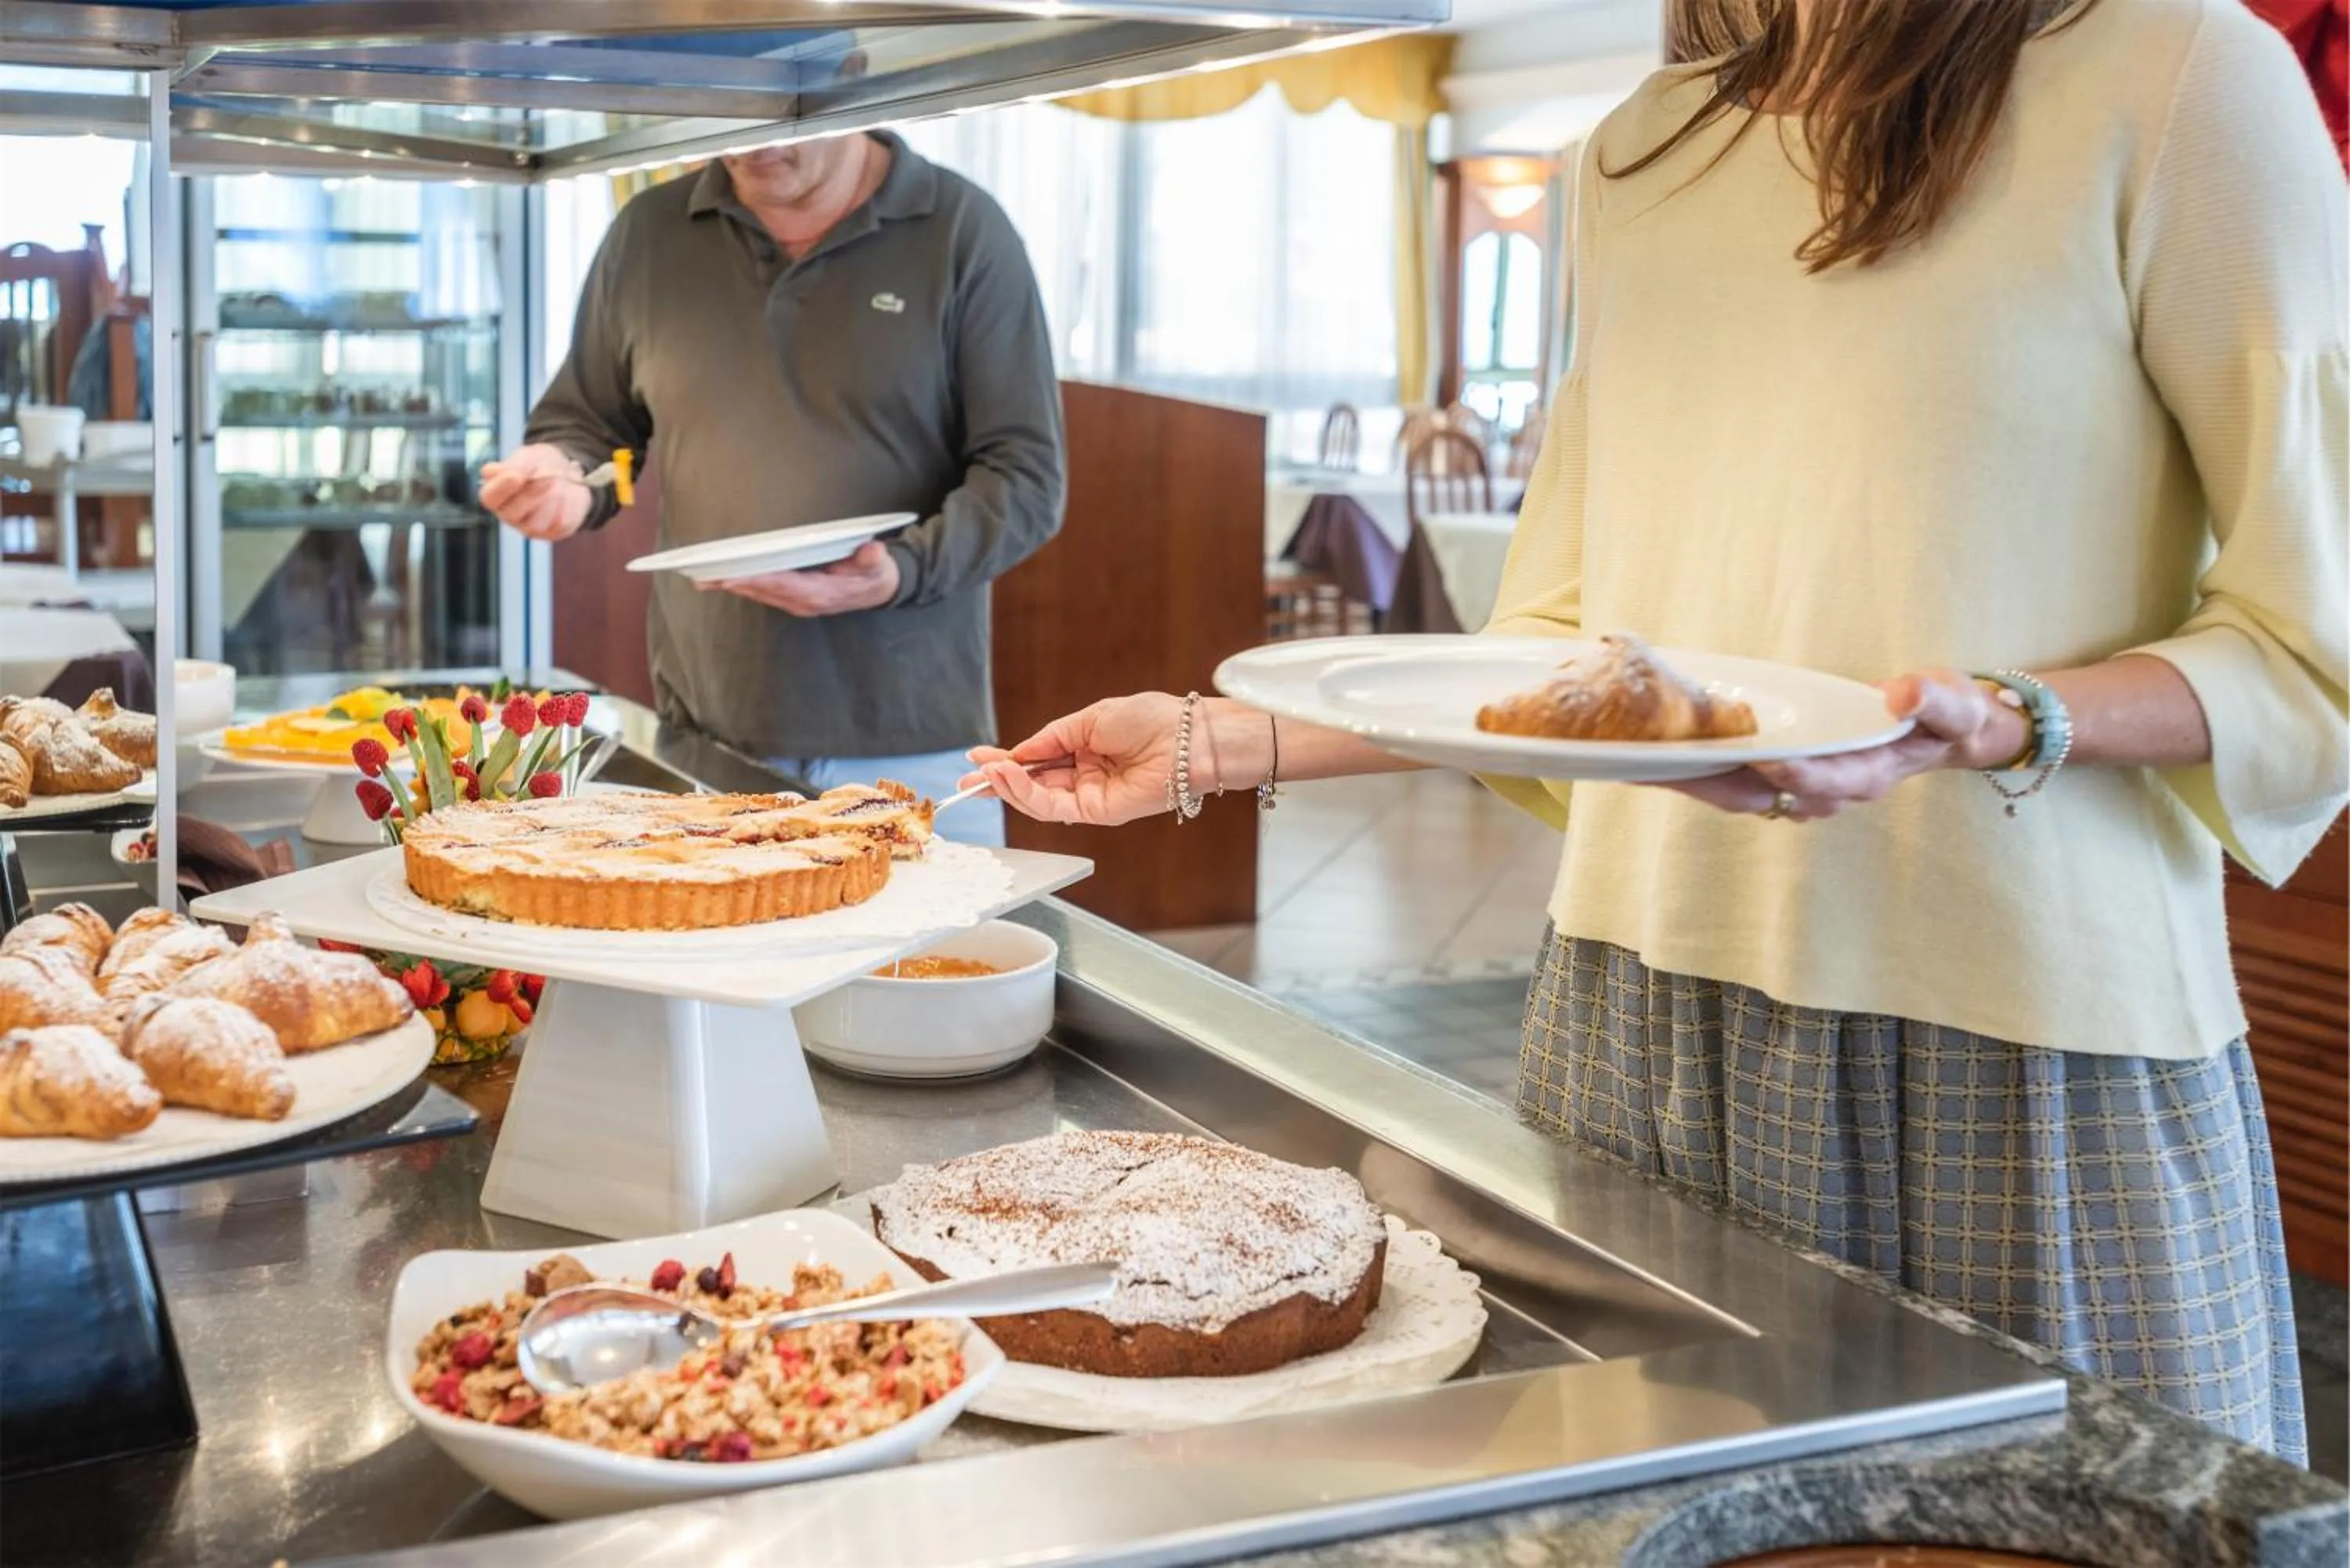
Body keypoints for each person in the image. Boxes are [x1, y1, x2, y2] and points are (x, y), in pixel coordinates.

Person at [969, 0, 2346, 1462]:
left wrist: (2002, 722)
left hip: (2016, 1038)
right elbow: (1560, 655)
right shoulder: (1639, 151)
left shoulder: (2188, 80)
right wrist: (1212, 741)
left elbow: (2303, 645)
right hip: (1634, 1012)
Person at [480, 129, 1065, 844]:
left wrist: (899, 572)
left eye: (779, 123)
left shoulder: (960, 228)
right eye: (728, 121)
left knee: (926, 959)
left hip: (912, 749)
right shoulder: (649, 231)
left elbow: (1027, 477)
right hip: (706, 742)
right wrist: (563, 478)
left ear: (849, 90)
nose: (748, 147)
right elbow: (591, 426)